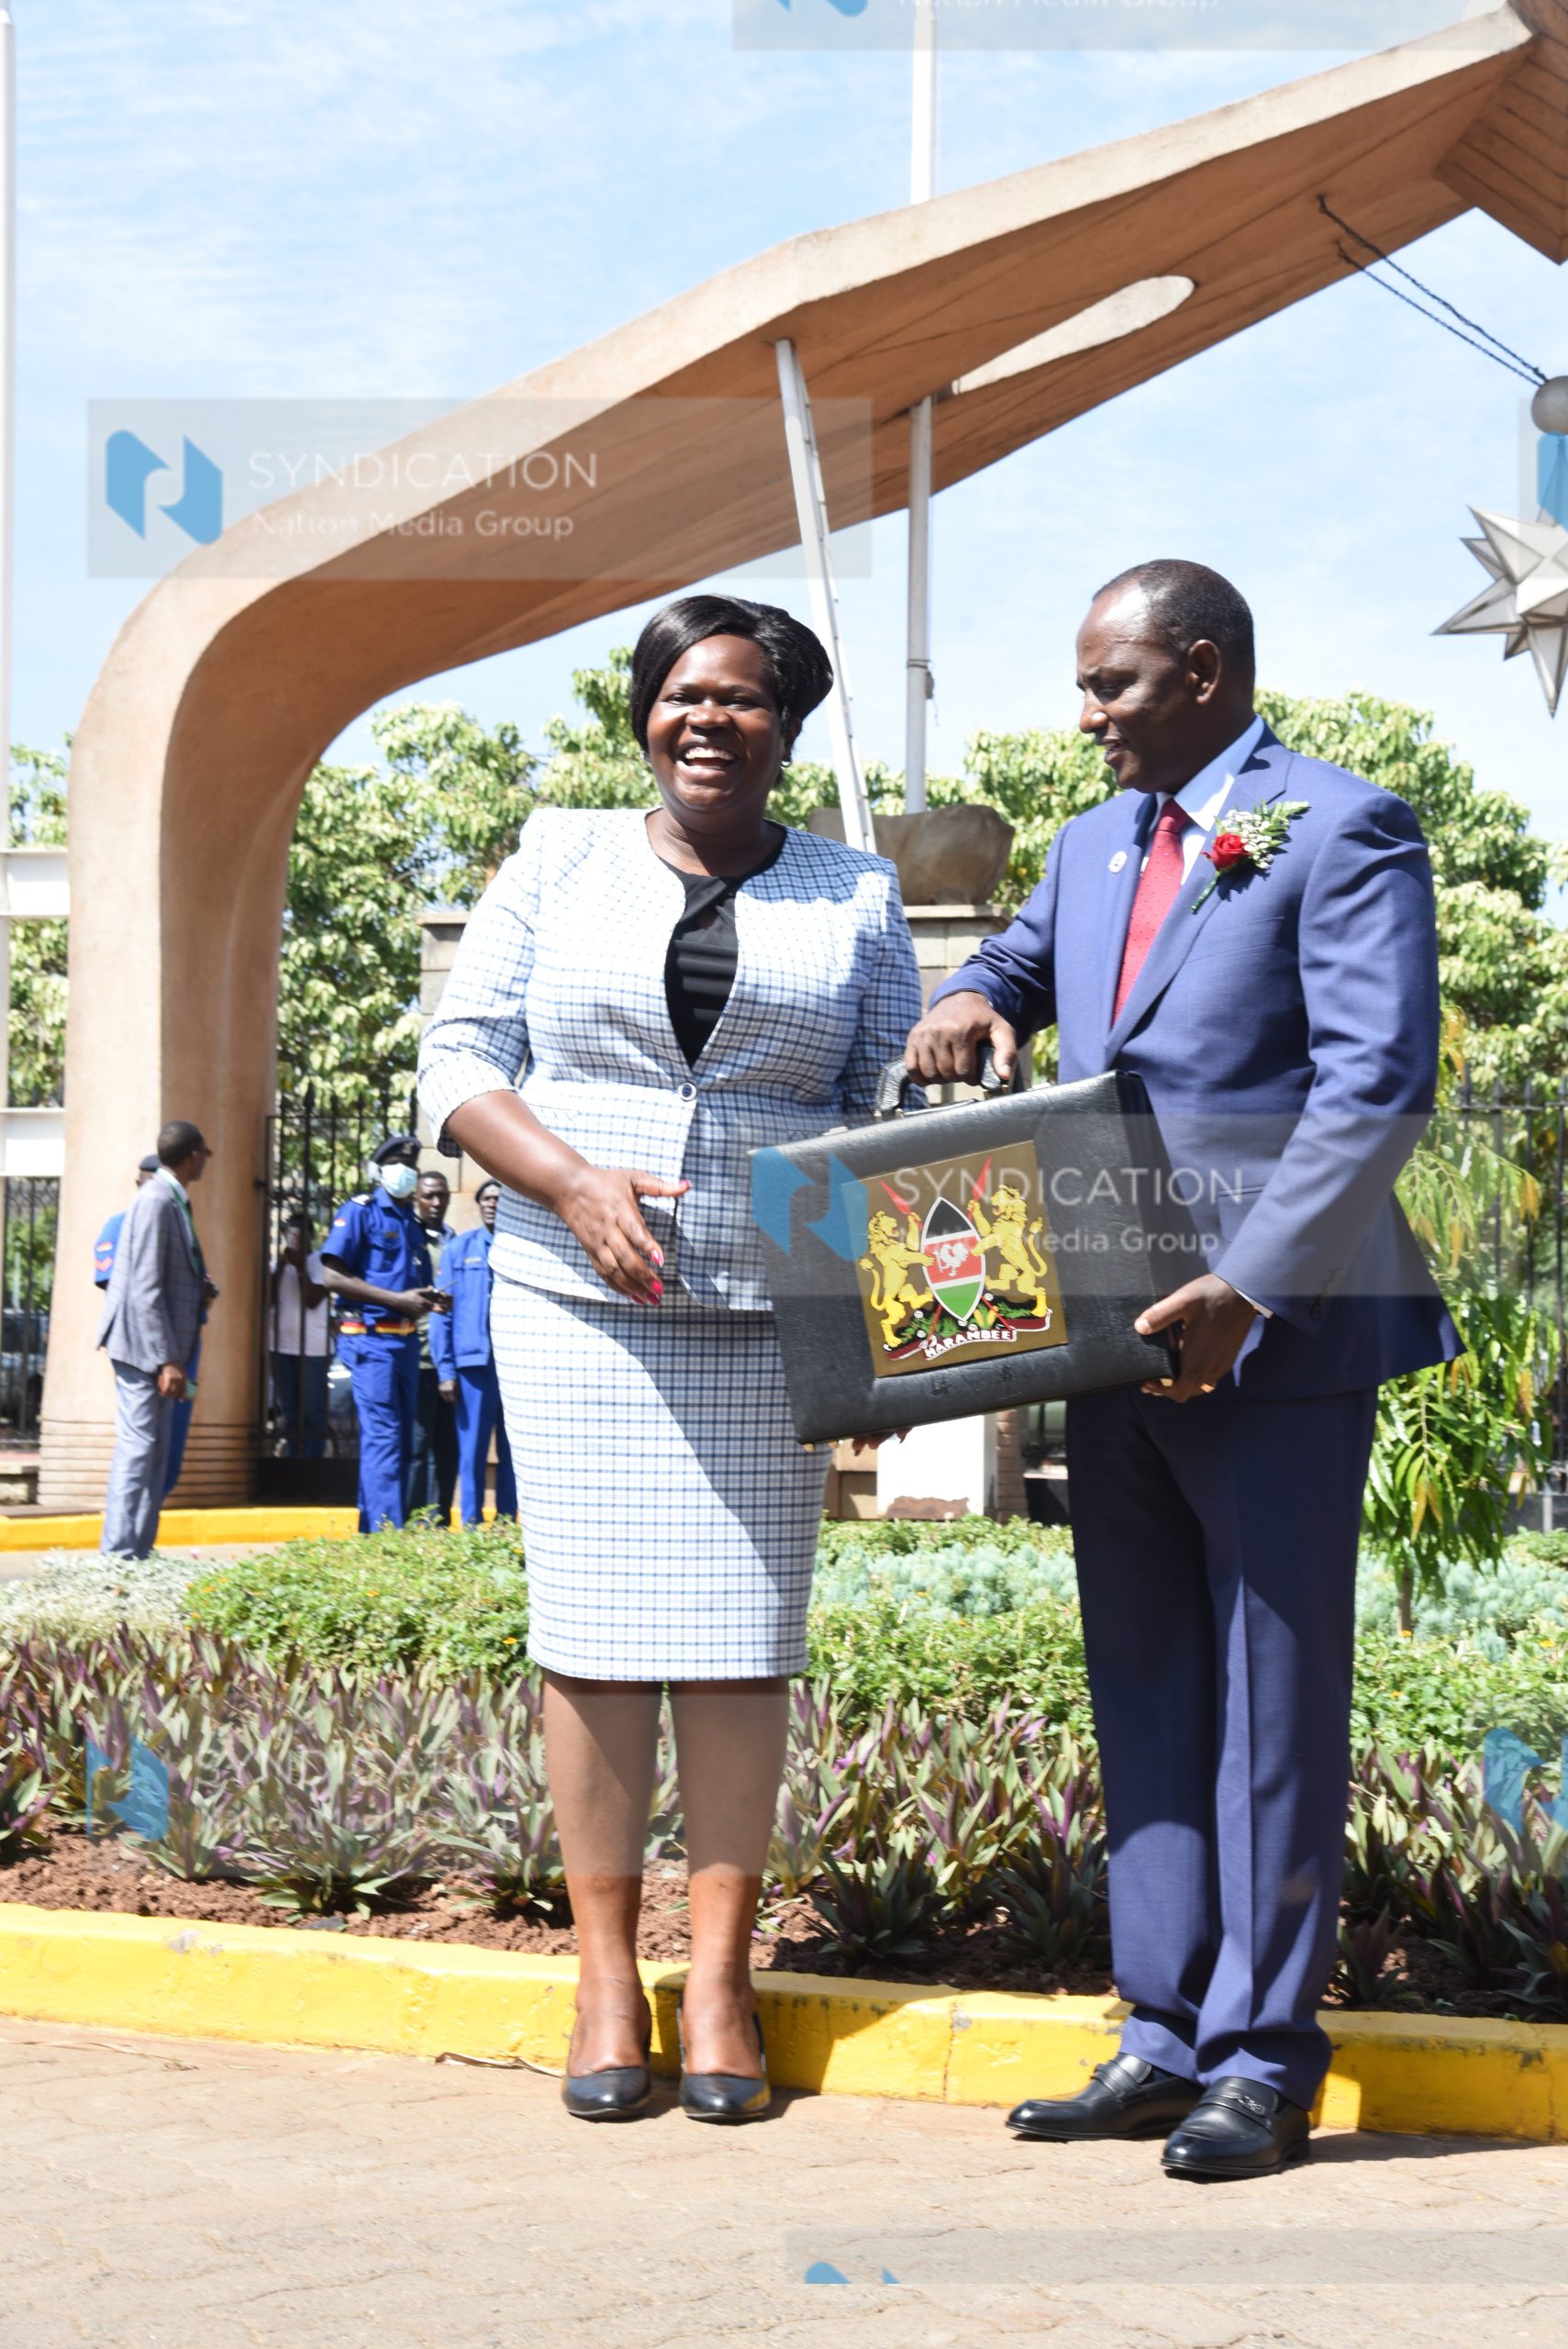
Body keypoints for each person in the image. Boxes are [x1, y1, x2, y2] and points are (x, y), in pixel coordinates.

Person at [906, 561, 1458, 2183]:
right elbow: (1019, 962)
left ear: (1201, 672)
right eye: (1085, 690)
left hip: (1270, 1332)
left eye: (1111, 689)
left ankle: (1265, 2058)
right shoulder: (1088, 842)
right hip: (1103, 1311)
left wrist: (1250, 1283)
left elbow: (1376, 1084)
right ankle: (1159, 2034)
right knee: (1141, 1677)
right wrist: (961, 991)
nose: (1083, 721)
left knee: (1270, 1702)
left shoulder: (1338, 824)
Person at [418, 592, 918, 2125]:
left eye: (742, 698)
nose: (707, 719)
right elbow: (461, 1057)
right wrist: (566, 1182)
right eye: (681, 695)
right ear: (645, 713)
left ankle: (714, 1978)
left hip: (773, 1303)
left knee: (741, 1633)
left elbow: (881, 1112)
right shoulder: (557, 852)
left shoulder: (856, 893)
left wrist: (876, 1347)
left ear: (787, 722)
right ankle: (596, 1972)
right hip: (571, 1293)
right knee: (592, 1630)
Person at [95, 1120, 217, 1560]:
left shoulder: (172, 1200)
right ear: (192, 1156)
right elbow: (145, 1288)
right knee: (138, 1452)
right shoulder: (156, 1201)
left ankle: (138, 1555)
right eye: (205, 1153)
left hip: (161, 1354)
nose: (206, 1160)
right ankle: (118, 1556)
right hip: (143, 1353)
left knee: (155, 1455)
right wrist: (167, 1360)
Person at [320, 1134, 449, 1533]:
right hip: (370, 1338)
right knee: (385, 1439)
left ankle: (370, 1531)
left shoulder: (411, 1223)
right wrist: (397, 1300)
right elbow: (331, 1276)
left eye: (411, 1165)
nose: (406, 1171)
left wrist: (434, 1300)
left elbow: (413, 1287)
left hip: (406, 1342)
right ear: (380, 1170)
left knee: (399, 1441)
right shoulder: (360, 1211)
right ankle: (386, 1538)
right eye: (398, 1163)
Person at [428, 1179, 517, 1528]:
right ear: (479, 1205)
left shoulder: (523, 1250)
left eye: (499, 1197)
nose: (493, 1203)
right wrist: (446, 1371)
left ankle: (509, 1524)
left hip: (514, 1369)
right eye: (487, 1198)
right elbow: (441, 1314)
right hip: (473, 1367)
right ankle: (470, 1525)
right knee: (472, 1452)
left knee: (515, 1453)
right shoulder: (458, 1249)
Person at [407, 1167, 459, 1522]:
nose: (436, 1202)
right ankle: (416, 1520)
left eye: (442, 1195)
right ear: (416, 1199)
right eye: (429, 1196)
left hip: (449, 1364)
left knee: (447, 1447)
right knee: (418, 1445)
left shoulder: (455, 1241)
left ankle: (439, 1520)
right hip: (417, 1360)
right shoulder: (409, 1239)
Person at [269, 1214, 329, 1458]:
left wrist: (301, 1267)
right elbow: (269, 1299)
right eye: (290, 1235)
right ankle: (294, 1463)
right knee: (290, 1413)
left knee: (314, 1413)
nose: (294, 1240)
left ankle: (314, 1466)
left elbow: (312, 1301)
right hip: (281, 1349)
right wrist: (284, 1266)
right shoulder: (278, 1267)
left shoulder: (321, 1264)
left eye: (299, 1235)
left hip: (313, 1351)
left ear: (309, 1237)